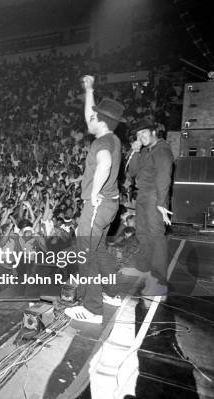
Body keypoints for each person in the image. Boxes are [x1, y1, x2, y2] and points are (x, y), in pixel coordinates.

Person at [64, 75, 125, 324]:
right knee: (99, 251)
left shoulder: (101, 143)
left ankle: (92, 309)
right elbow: (90, 115)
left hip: (97, 206)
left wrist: (92, 193)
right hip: (110, 205)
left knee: (85, 254)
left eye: (94, 114)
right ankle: (111, 294)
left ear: (101, 120)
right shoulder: (112, 138)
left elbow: (105, 164)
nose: (90, 117)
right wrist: (89, 90)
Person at [126, 119, 174, 298]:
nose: (140, 137)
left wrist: (161, 203)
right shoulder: (145, 150)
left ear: (154, 131)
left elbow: (164, 178)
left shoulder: (162, 150)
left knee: (156, 237)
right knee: (142, 233)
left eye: (143, 133)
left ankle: (160, 283)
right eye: (138, 135)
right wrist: (135, 151)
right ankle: (143, 267)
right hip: (143, 195)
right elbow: (131, 172)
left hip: (155, 196)